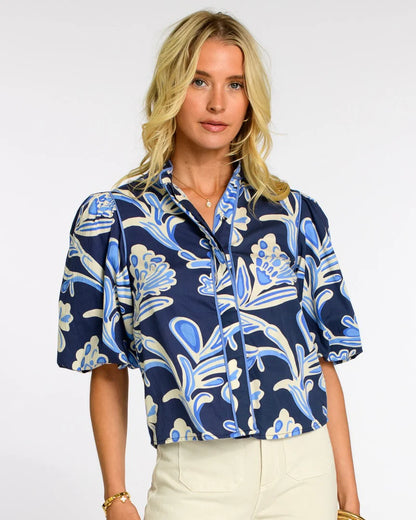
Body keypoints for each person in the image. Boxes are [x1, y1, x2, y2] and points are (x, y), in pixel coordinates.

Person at [57, 10, 366, 520]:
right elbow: (107, 369)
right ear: (172, 89)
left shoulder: (293, 215)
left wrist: (349, 500)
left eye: (235, 84)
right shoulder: (115, 220)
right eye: (200, 81)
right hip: (194, 480)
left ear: (250, 100)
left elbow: (321, 361)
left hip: (304, 471)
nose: (217, 102)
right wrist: (116, 496)